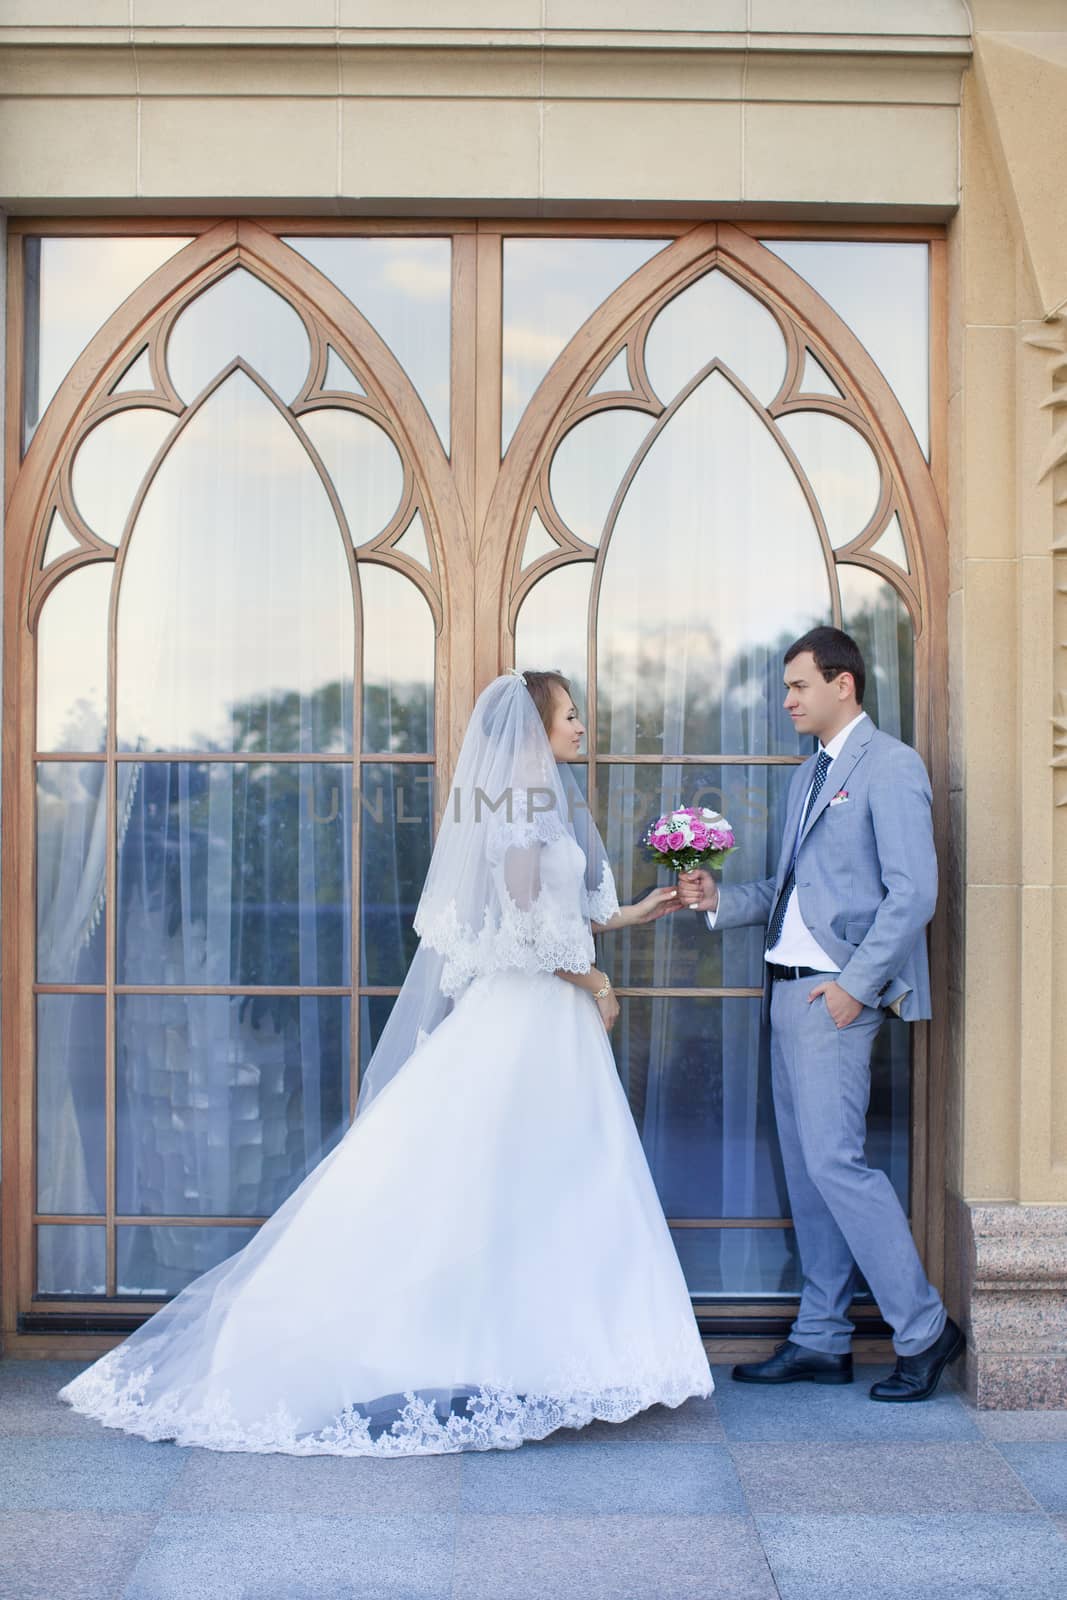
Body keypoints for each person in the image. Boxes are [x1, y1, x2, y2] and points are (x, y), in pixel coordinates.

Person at [59, 669, 712, 1455]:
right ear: (536, 729)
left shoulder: (543, 804)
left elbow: (560, 921)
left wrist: (640, 911)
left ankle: (541, 1353)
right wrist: (599, 983)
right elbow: (523, 939)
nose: (582, 727)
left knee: (546, 1184)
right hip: (526, 1020)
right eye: (570, 716)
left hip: (550, 1022)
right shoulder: (515, 809)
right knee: (499, 1181)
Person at [678, 627, 963, 1402]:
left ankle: (925, 1330)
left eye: (798, 686)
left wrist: (853, 987)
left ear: (844, 684)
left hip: (835, 997)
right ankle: (820, 1338)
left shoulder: (892, 767)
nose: (786, 700)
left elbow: (914, 893)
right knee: (810, 1174)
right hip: (786, 989)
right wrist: (718, 902)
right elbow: (787, 893)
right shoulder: (807, 777)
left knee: (837, 1165)